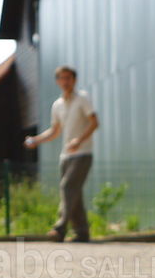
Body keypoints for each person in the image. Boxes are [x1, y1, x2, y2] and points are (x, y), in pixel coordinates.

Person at [24, 65, 100, 243]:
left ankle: (59, 228)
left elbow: (95, 122)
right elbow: (54, 131)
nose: (65, 82)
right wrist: (36, 140)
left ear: (74, 80)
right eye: (62, 78)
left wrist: (79, 141)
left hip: (83, 154)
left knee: (67, 187)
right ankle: (82, 233)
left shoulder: (83, 99)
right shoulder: (57, 105)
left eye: (68, 78)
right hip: (65, 156)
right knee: (74, 194)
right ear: (58, 81)